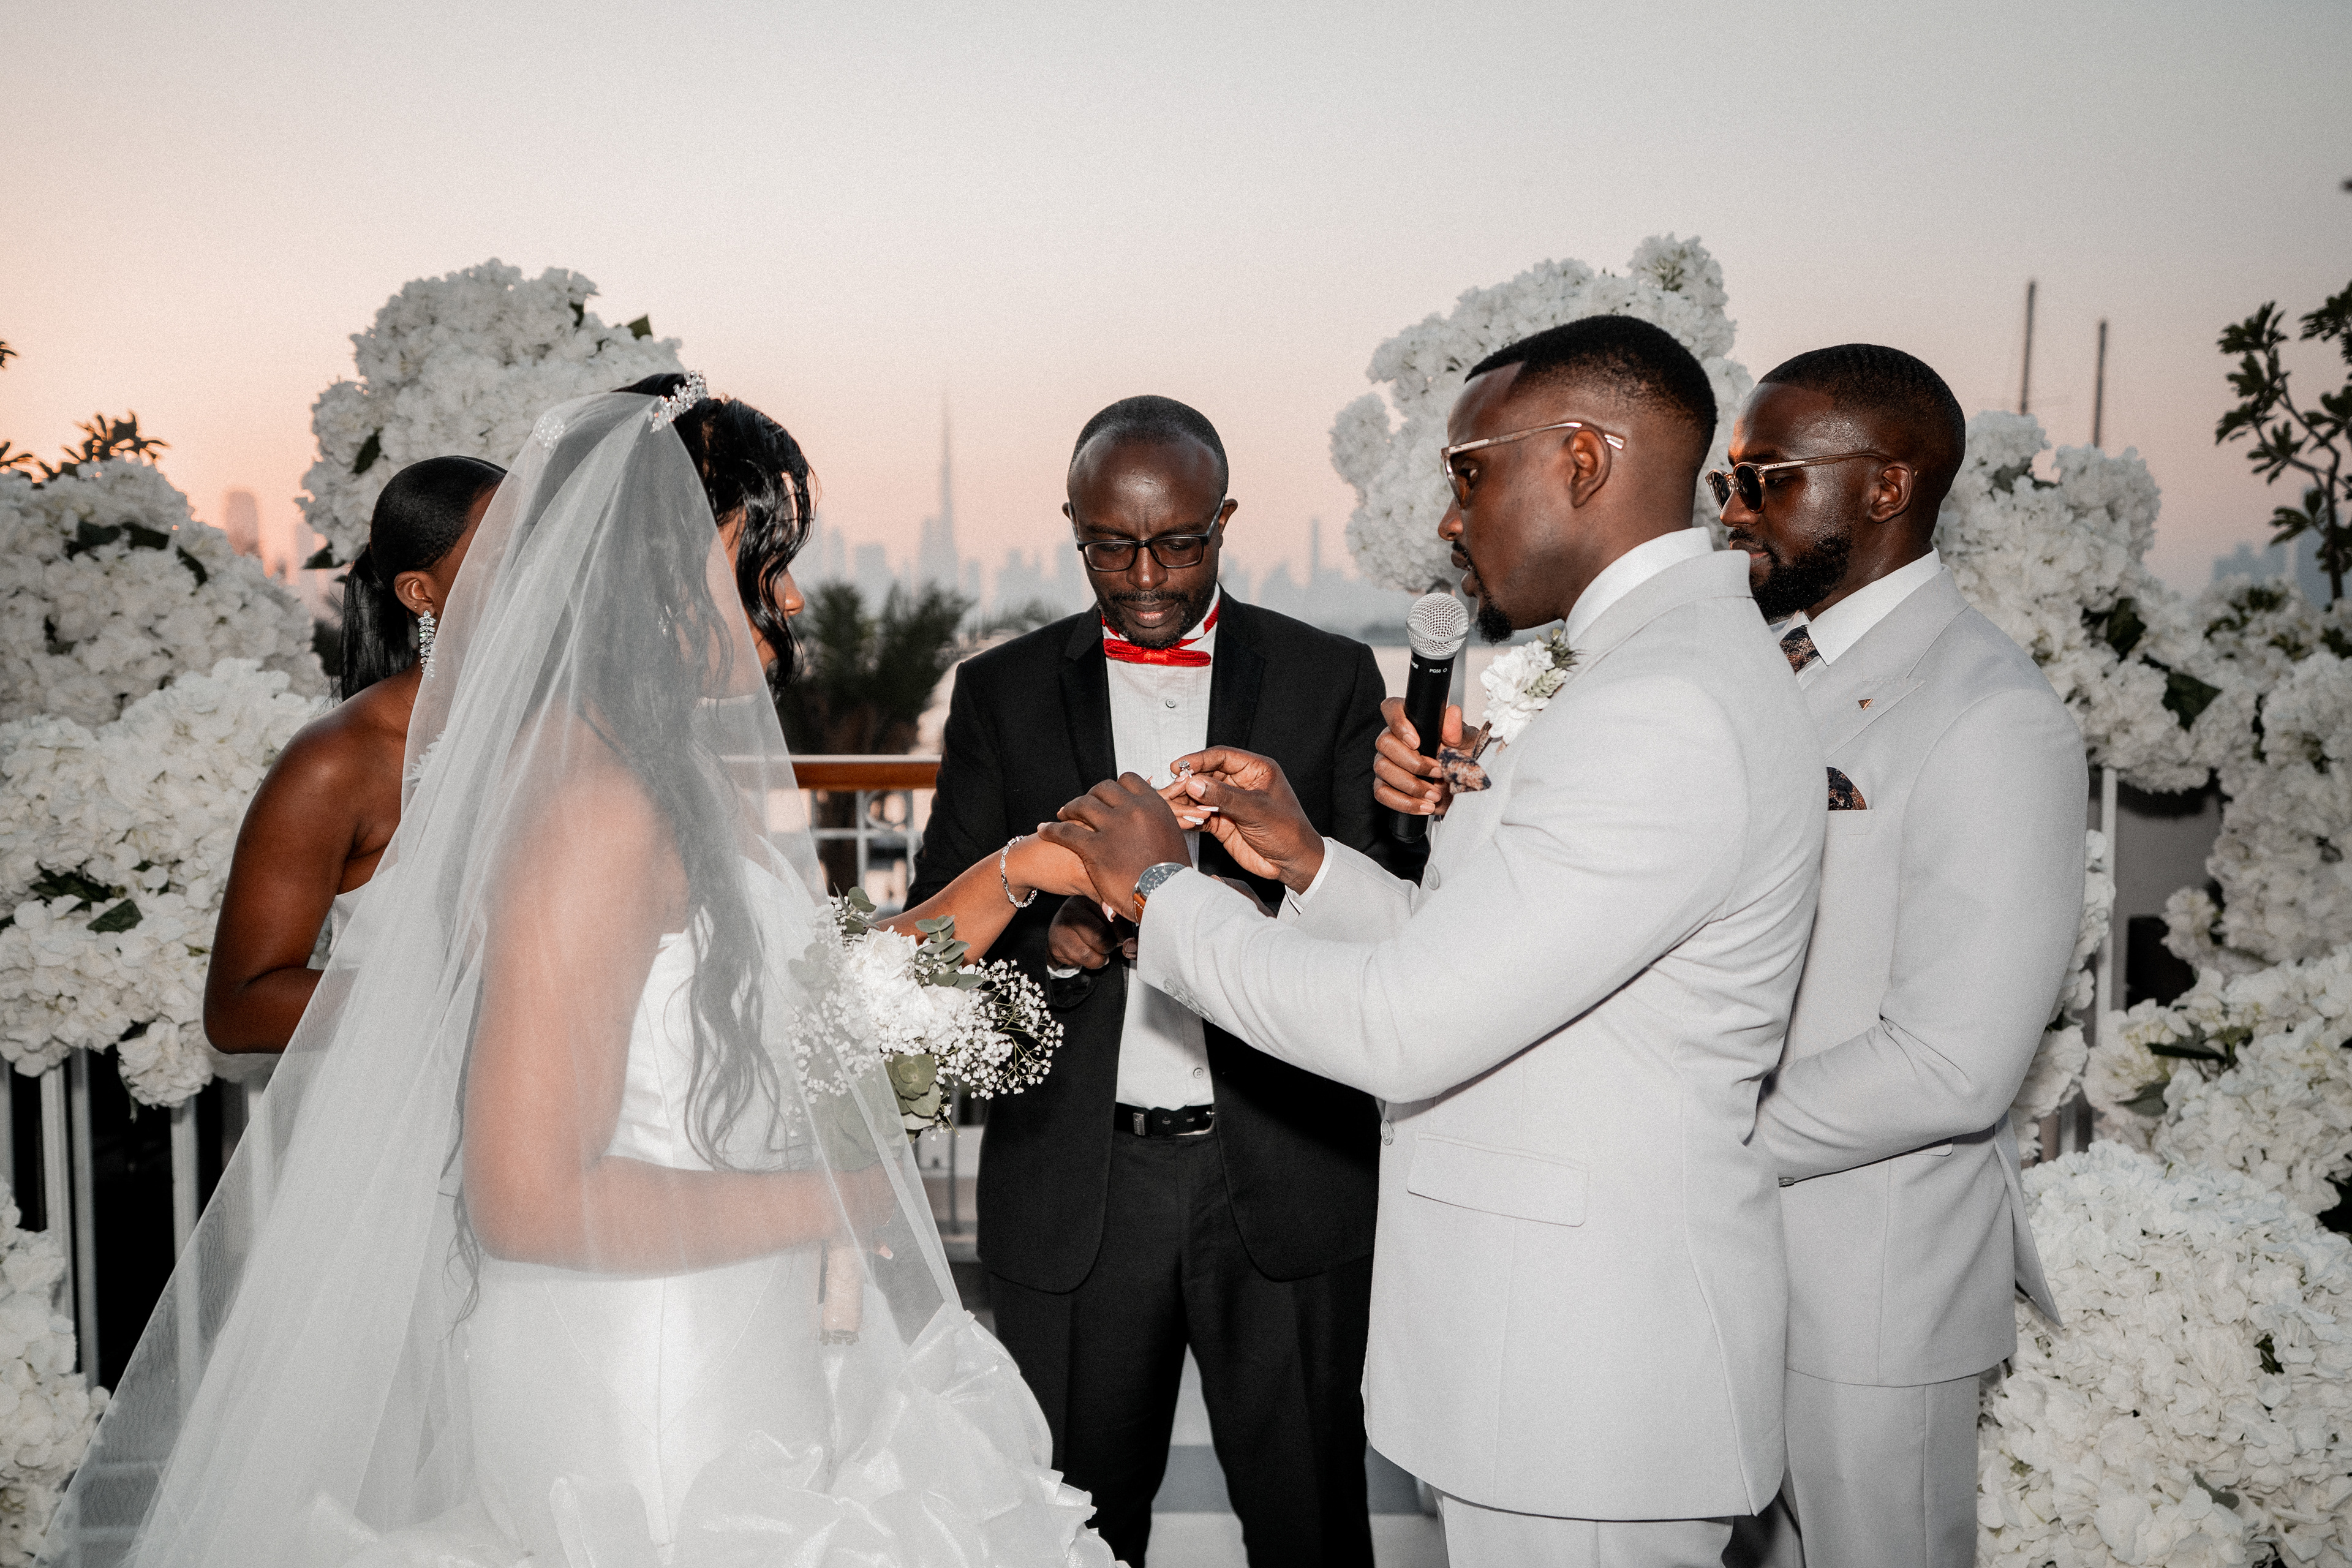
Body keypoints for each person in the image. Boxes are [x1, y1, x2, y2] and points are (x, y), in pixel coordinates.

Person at [48, 376, 1115, 1567]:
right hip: (643, 1385)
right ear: (654, 577)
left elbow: (814, 980)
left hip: (716, 1322)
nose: (791, 596)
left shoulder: (656, 767)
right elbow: (528, 1197)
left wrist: (1023, 869)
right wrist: (836, 1197)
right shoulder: (594, 806)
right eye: (762, 558)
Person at [1041, 317, 1826, 1568]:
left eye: (1469, 471)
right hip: (1543, 1355)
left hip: (1585, 1372)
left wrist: (1161, 889)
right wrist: (1307, 861)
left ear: (1581, 459)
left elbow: (1402, 1026)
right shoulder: (1649, 666)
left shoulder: (1662, 702)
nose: (1452, 520)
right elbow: (1470, 954)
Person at [907, 396, 1389, 1567]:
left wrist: (1249, 909)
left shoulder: (1329, 676)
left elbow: (1387, 915)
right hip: (1079, 1184)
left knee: (1312, 1526)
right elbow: (938, 932)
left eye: (1178, 543)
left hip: (1286, 1167)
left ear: (1225, 519)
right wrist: (1056, 942)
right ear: (1071, 527)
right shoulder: (1002, 691)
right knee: (1071, 1530)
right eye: (1109, 548)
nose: (1145, 577)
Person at [1706, 347, 2083, 1568]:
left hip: (1869, 1288)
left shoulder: (1991, 709)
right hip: (1716, 1266)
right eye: (1728, 479)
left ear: (1885, 487)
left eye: (1766, 478)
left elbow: (1954, 1065)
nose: (1734, 509)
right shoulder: (1760, 662)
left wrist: (1696, 1135)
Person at [204, 455, 502, 1055]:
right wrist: (485, 1002)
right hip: (413, 1101)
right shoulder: (339, 759)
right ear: (421, 592)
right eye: (507, 552)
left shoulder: (577, 733)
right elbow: (238, 1008)